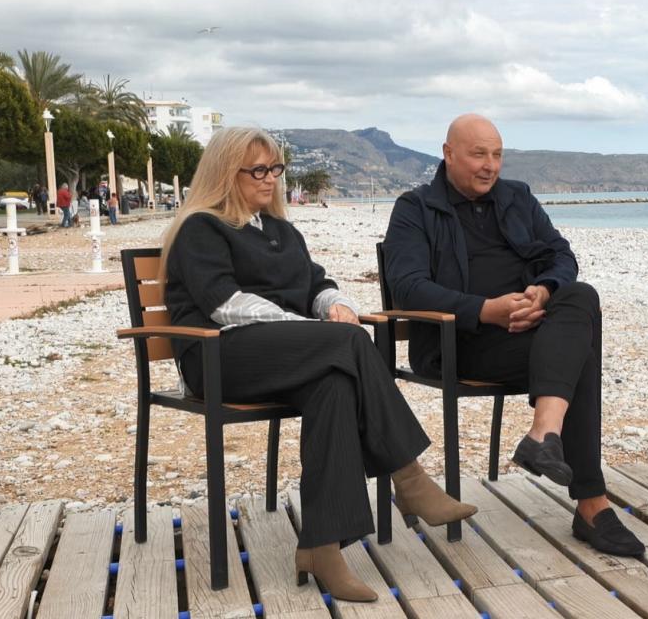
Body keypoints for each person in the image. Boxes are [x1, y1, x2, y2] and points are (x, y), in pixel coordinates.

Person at [160, 127, 476, 603]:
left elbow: (316, 284)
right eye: (257, 170)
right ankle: (409, 479)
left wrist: (335, 305)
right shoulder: (201, 228)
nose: (270, 179)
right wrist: (309, 328)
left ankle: (320, 547)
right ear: (225, 173)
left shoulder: (282, 231)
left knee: (334, 384)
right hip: (220, 357)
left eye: (275, 168)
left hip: (285, 356)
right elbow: (224, 304)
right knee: (347, 344)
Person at [384, 114, 646, 557]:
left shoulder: (517, 197)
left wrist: (543, 290)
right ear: (448, 154)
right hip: (459, 343)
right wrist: (487, 310)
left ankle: (544, 433)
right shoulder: (416, 208)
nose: (490, 165)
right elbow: (407, 286)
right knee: (579, 352)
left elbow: (562, 255)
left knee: (580, 294)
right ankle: (591, 504)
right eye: (478, 154)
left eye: (497, 155)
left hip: (529, 334)